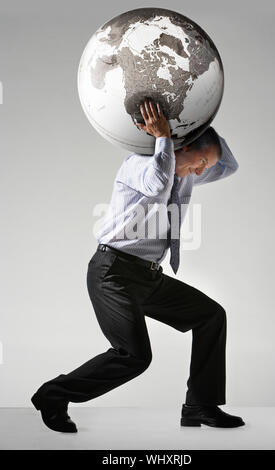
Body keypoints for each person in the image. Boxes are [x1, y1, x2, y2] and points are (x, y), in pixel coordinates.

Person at [31, 98, 245, 432]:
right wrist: (164, 139)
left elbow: (229, 166)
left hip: (146, 277)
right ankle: (52, 395)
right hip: (112, 271)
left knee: (211, 315)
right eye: (201, 161)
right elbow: (157, 185)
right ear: (182, 148)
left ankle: (200, 405)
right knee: (134, 356)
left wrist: (197, 122)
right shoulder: (140, 164)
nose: (203, 171)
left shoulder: (186, 173)